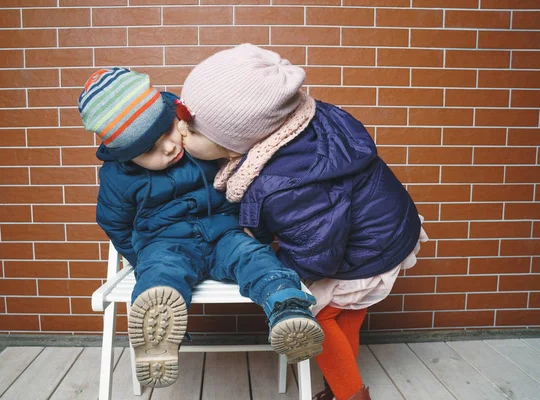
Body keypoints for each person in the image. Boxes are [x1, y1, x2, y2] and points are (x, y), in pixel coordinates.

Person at [178, 44, 428, 400]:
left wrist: (274, 266)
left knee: (320, 317)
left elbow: (317, 254)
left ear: (234, 145)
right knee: (346, 318)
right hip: (390, 223)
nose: (181, 131)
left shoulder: (286, 184)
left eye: (193, 128)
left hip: (370, 247)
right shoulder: (301, 120)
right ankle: (342, 385)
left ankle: (349, 395)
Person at [78, 67, 324, 389]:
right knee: (160, 271)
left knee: (254, 256)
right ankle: (160, 326)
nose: (167, 147)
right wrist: (140, 258)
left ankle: (287, 307)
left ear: (174, 116)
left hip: (225, 232)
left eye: (167, 132)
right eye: (149, 150)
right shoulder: (118, 177)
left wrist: (257, 232)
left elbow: (244, 178)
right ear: (126, 156)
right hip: (166, 242)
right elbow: (114, 223)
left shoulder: (202, 134)